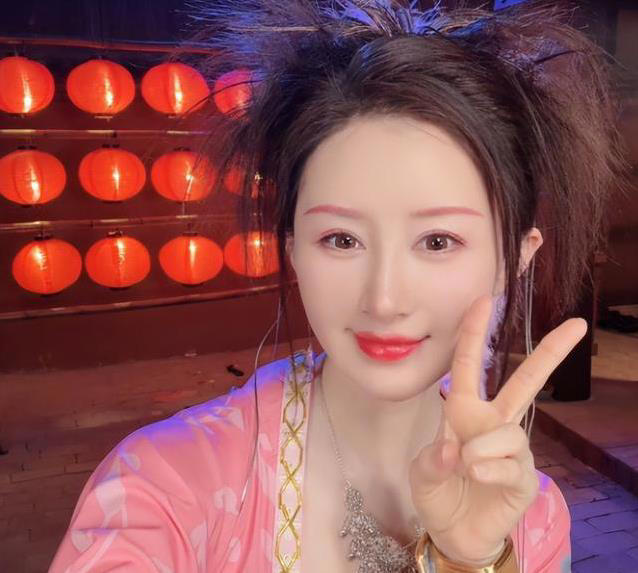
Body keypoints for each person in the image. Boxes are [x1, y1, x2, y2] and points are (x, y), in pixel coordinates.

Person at [49, 1, 629, 571]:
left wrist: (470, 560)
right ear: (292, 248)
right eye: (342, 239)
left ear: (515, 258)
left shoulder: (528, 519)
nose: (383, 300)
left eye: (438, 241)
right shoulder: (165, 488)